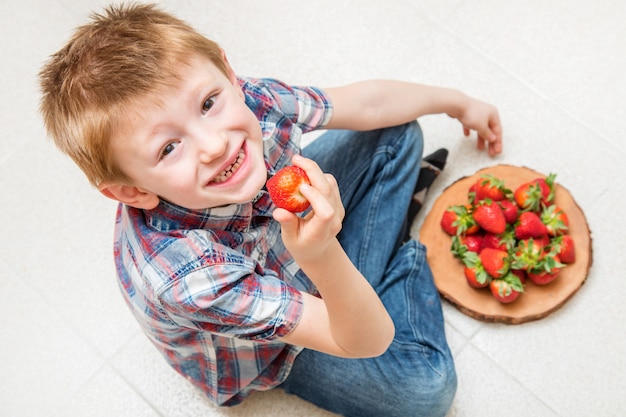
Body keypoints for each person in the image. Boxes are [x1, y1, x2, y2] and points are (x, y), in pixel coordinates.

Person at [38, 3, 502, 417]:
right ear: (131, 192)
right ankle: (402, 260)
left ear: (227, 71)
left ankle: (365, 257)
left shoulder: (246, 100)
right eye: (168, 149)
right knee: (427, 392)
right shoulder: (184, 278)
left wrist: (458, 101)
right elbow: (364, 342)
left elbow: (368, 102)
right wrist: (321, 256)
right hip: (274, 345)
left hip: (287, 246)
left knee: (398, 132)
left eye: (208, 103)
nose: (214, 144)